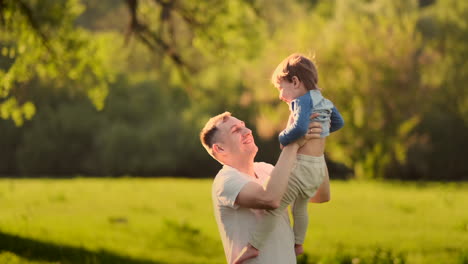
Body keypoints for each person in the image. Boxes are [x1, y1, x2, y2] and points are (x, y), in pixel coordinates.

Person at [234, 53, 344, 263]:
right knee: (300, 207)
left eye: (280, 88)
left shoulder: (302, 101)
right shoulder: (325, 102)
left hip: (301, 167)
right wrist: (322, 130)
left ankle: (253, 246)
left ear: (295, 81)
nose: (280, 95)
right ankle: (299, 243)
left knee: (274, 207)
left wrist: (283, 137)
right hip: (318, 168)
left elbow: (300, 128)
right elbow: (339, 123)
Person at [200, 112, 326, 264]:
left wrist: (315, 145)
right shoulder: (226, 180)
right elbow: (270, 199)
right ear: (220, 149)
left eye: (243, 126)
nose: (247, 131)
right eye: (235, 130)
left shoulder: (265, 170)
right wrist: (292, 143)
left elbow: (320, 195)